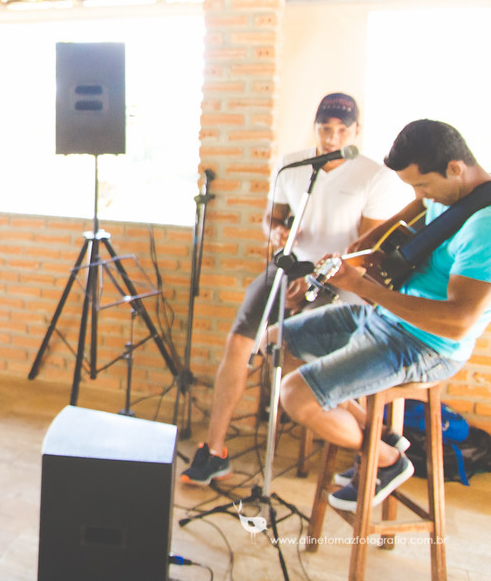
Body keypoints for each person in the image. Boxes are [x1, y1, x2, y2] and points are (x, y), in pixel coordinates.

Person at [181, 93, 408, 485]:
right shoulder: (293, 165)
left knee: (297, 350)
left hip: (341, 274)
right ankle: (214, 450)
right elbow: (270, 219)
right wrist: (279, 231)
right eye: (325, 128)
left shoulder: (375, 176)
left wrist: (318, 276)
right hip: (289, 264)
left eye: (341, 130)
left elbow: (367, 250)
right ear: (316, 128)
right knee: (241, 341)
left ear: (356, 131)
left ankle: (376, 437)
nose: (332, 137)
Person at [276, 119, 491, 511]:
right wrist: (353, 254)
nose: (419, 195)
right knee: (277, 342)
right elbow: (394, 227)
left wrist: (362, 287)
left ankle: (388, 461)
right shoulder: (443, 192)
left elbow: (457, 321)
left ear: (456, 169)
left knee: (294, 396)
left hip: (425, 345)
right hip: (383, 316)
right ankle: (377, 436)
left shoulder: (485, 227)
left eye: (421, 186)